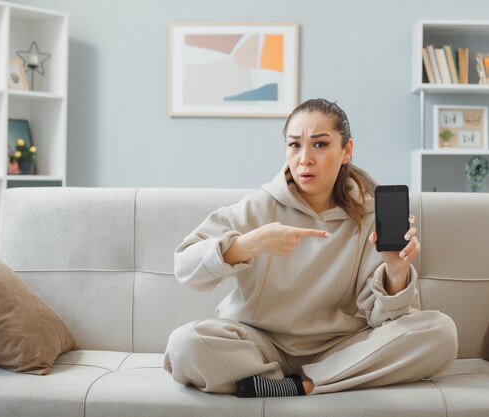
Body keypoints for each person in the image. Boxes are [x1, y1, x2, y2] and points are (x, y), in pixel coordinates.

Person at [164, 98, 458, 397]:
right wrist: (247, 244)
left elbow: (385, 320)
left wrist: (396, 270)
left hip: (341, 349)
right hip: (261, 345)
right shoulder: (257, 208)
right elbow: (185, 267)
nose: (304, 158)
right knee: (185, 344)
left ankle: (301, 385)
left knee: (440, 332)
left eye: (319, 145)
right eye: (294, 145)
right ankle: (301, 381)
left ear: (347, 151)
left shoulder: (370, 216)